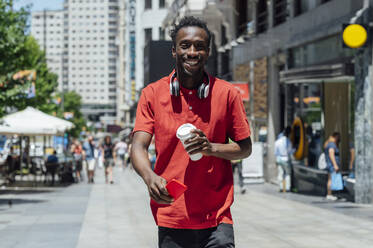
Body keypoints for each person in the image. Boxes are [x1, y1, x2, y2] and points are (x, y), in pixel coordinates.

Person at [131, 16, 252, 248]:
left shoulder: (228, 94)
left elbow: (245, 148)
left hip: (217, 218)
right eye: (185, 45)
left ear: (208, 52)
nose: (192, 52)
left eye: (199, 46)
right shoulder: (151, 94)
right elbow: (138, 146)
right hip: (172, 215)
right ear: (174, 51)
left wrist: (211, 148)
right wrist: (149, 177)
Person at [275, 126, 293, 192]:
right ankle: (287, 188)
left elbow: (276, 152)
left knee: (280, 173)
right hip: (286, 159)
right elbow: (290, 151)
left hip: (279, 159)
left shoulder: (277, 142)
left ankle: (281, 187)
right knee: (287, 174)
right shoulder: (288, 142)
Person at [324, 132, 341, 201]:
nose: (338, 139)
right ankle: (329, 194)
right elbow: (331, 154)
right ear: (334, 137)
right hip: (331, 165)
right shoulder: (331, 145)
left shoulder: (329, 144)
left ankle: (330, 194)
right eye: (338, 137)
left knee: (330, 179)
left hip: (330, 164)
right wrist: (335, 165)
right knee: (330, 179)